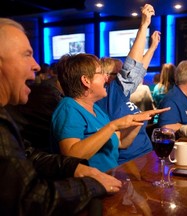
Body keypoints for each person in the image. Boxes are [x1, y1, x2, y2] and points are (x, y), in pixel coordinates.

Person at [0, 18, 123, 215]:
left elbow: (30, 155)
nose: (37, 65)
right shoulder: (67, 107)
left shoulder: (6, 115)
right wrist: (91, 184)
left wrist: (75, 168)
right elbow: (28, 199)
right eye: (27, 55)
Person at [51, 53, 169, 172]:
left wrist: (138, 120)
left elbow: (121, 142)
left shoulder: (95, 109)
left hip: (113, 177)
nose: (106, 78)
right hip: (92, 185)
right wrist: (113, 126)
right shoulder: (68, 108)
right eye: (101, 73)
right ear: (86, 80)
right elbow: (71, 156)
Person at [97, 4, 162, 165]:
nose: (124, 77)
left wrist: (152, 48)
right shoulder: (109, 93)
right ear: (106, 76)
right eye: (118, 74)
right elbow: (131, 68)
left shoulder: (118, 93)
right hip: (129, 162)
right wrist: (143, 26)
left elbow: (138, 70)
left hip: (146, 156)